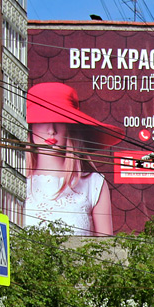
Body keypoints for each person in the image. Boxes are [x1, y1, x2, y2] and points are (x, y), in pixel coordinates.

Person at [26, 82, 121, 236]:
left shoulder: (94, 184)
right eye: (42, 120)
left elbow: (107, 250)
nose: (51, 130)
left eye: (60, 121)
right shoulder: (14, 179)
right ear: (30, 126)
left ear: (71, 127)